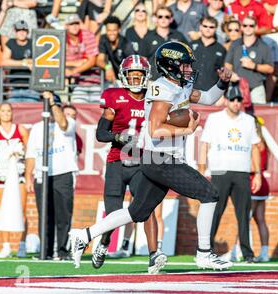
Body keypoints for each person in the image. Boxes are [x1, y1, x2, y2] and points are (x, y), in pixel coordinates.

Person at [69, 41, 234, 271]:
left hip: (157, 159)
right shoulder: (163, 88)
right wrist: (186, 130)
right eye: (185, 65)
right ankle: (204, 253)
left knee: (137, 212)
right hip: (161, 158)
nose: (189, 69)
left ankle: (84, 235)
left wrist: (222, 83)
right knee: (210, 194)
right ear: (171, 66)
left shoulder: (180, 84)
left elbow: (207, 98)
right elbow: (156, 129)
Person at [92, 54, 166, 273]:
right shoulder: (114, 97)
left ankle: (154, 255)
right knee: (114, 213)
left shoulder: (154, 98)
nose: (135, 79)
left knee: (147, 205)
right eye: (131, 75)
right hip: (117, 161)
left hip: (142, 163)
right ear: (124, 76)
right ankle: (104, 243)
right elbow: (100, 134)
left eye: (139, 75)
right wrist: (118, 137)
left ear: (146, 76)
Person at [199, 83, 261, 263]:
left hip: (241, 171)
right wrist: (202, 170)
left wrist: (257, 173)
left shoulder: (248, 120)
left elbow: (255, 147)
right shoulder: (215, 118)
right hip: (219, 171)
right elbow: (204, 144)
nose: (236, 103)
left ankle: (247, 254)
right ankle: (206, 250)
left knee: (243, 215)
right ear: (226, 100)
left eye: (239, 100)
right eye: (233, 99)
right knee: (215, 212)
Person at [25, 91, 78, 260]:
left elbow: (62, 124)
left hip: (63, 173)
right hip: (43, 174)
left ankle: (63, 252)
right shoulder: (37, 128)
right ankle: (45, 252)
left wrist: (53, 103)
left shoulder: (69, 122)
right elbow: (31, 154)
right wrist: (28, 177)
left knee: (63, 215)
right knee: (44, 215)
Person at [0, 102, 29, 258]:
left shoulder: (21, 130)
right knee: (2, 209)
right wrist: (2, 161)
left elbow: (29, 152)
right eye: (3, 111)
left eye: (9, 110)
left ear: (12, 112)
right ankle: (6, 246)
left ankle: (22, 246)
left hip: (19, 175)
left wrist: (18, 157)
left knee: (22, 209)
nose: (6, 113)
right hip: (2, 177)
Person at [225, 15, 274, 104]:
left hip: (256, 87)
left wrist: (254, 66)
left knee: (259, 116)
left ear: (256, 27)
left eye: (251, 26)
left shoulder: (263, 46)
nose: (248, 28)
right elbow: (227, 65)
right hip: (237, 85)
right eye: (245, 25)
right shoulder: (235, 44)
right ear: (241, 27)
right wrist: (230, 75)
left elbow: (270, 68)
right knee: (235, 115)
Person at [1, 20, 41, 102]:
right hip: (14, 87)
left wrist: (32, 62)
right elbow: (4, 61)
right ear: (15, 32)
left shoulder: (34, 43)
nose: (21, 33)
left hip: (32, 88)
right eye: (19, 30)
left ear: (28, 32)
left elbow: (39, 61)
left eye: (24, 30)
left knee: (33, 111)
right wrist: (24, 63)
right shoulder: (11, 43)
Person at [65, 14, 101, 103]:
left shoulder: (87, 35)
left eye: (76, 23)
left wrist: (73, 71)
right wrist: (77, 63)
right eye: (71, 24)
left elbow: (92, 61)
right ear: (66, 26)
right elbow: (59, 61)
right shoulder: (63, 37)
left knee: (98, 108)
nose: (74, 26)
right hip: (77, 83)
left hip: (95, 80)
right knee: (78, 106)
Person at [250, 116, 270, 262]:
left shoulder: (256, 144)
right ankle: (265, 252)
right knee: (260, 219)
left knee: (244, 219)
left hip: (253, 182)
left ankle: (239, 250)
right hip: (262, 182)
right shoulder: (264, 143)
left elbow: (253, 167)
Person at [191, 16, 226, 91]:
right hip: (189, 90)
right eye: (205, 26)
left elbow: (223, 74)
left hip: (210, 93)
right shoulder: (190, 45)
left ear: (216, 29)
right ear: (200, 27)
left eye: (211, 27)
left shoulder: (221, 50)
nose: (208, 29)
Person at [97, 16, 134, 86]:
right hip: (112, 79)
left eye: (114, 30)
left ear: (119, 30)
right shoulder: (103, 39)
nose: (111, 33)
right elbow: (99, 60)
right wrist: (108, 67)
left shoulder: (125, 43)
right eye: (109, 30)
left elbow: (131, 64)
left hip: (126, 80)